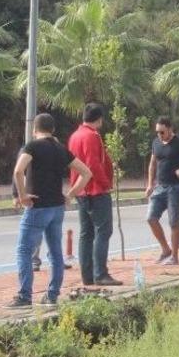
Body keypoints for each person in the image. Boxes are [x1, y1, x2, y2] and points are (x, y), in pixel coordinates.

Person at [6, 113, 92, 308]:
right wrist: (70, 194)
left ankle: (25, 296)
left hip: (37, 205)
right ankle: (52, 295)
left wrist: (22, 195)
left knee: (24, 250)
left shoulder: (32, 147)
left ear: (34, 130)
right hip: (57, 206)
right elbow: (86, 173)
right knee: (55, 251)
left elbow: (18, 170)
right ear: (53, 130)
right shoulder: (61, 149)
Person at [68, 103, 121, 286]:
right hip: (95, 190)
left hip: (81, 190)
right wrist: (106, 184)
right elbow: (93, 164)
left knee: (86, 233)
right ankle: (100, 273)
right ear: (99, 119)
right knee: (103, 231)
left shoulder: (75, 136)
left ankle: (87, 275)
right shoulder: (92, 136)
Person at [145, 117, 179, 265]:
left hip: (175, 187)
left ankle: (174, 256)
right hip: (160, 187)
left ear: (170, 129)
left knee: (173, 222)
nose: (159, 135)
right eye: (157, 132)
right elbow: (152, 164)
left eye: (162, 132)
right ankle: (165, 250)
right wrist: (150, 184)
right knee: (151, 218)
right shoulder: (156, 143)